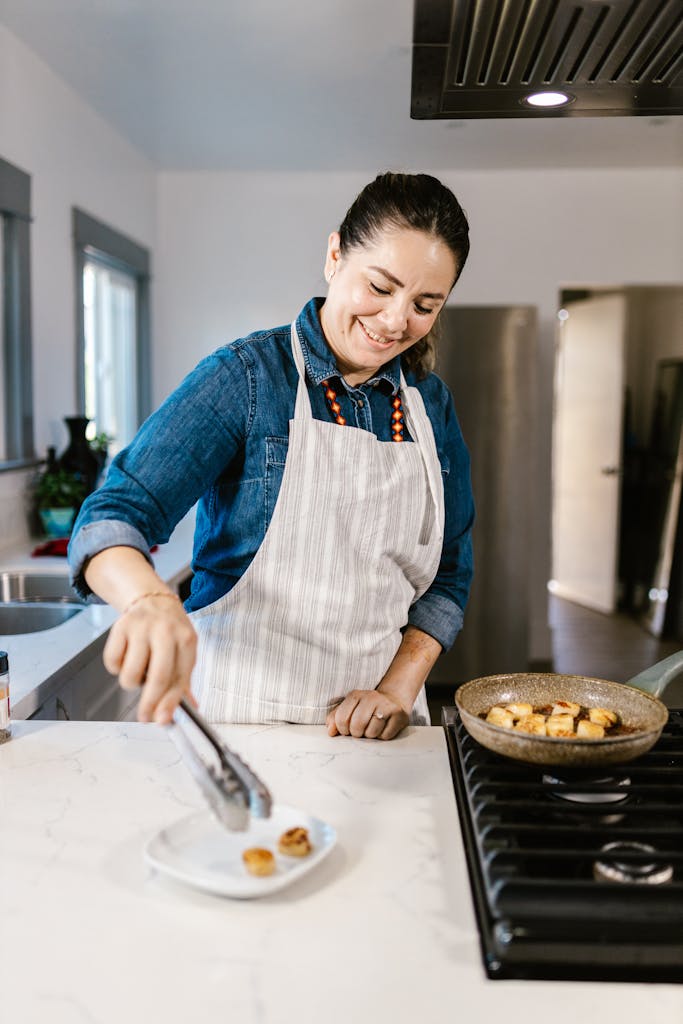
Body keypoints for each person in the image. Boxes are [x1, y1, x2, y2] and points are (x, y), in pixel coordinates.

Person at [68, 172, 475, 740]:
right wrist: (148, 601)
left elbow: (449, 572)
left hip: (381, 738)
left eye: (425, 305)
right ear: (335, 255)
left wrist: (396, 690)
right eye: (380, 288)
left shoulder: (430, 404)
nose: (394, 321)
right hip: (238, 728)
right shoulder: (247, 378)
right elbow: (112, 515)